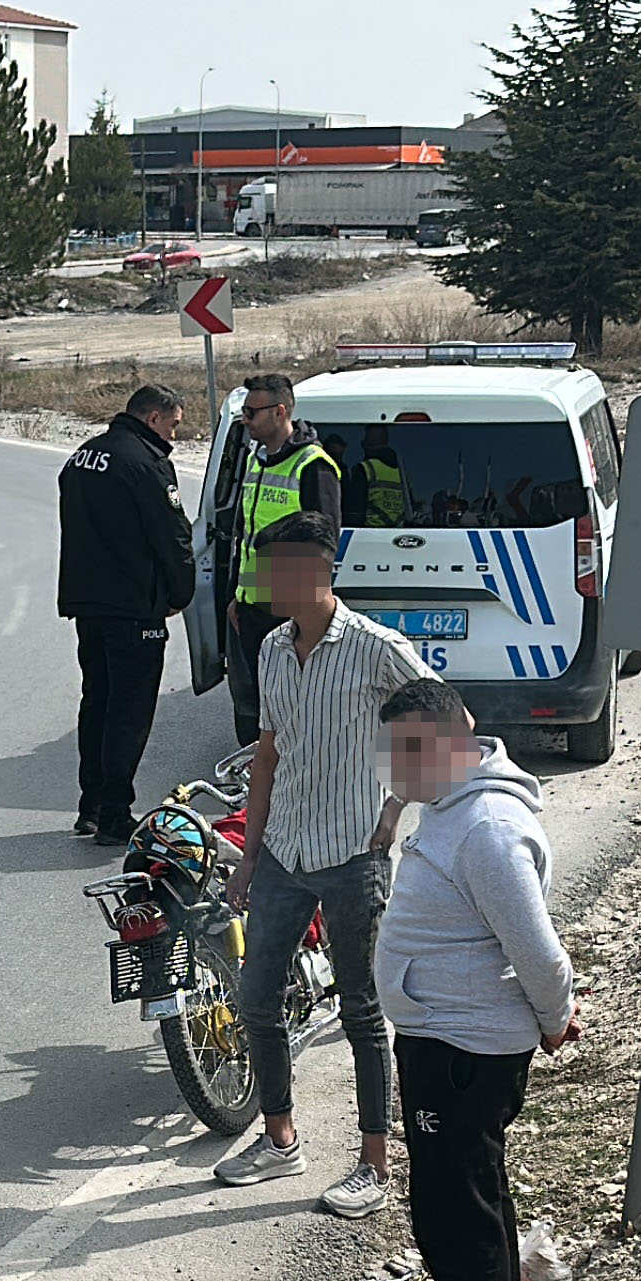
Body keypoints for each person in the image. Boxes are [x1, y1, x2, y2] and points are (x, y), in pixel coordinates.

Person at [371, 677, 578, 1281]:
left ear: (460, 734)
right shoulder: (452, 805)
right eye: (395, 755)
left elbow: (537, 949)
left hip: (463, 1049)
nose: (401, 770)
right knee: (475, 1194)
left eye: (415, 752)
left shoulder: (486, 827)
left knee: (452, 1213)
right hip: (444, 1039)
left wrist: (556, 1017)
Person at [218, 511, 426, 1219]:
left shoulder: (375, 648)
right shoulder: (274, 647)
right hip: (284, 853)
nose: (265, 585)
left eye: (277, 571)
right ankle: (280, 1141)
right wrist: (250, 855)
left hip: (351, 856)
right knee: (255, 998)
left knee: (363, 1010)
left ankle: (374, 1163)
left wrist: (394, 812)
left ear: (316, 570)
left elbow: (443, 720)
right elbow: (269, 753)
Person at [56, 382, 194, 845]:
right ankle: (115, 812)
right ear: (153, 418)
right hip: (134, 607)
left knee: (96, 702)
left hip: (89, 604)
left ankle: (90, 805)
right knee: (128, 712)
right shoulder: (145, 464)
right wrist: (181, 591)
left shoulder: (82, 456)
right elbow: (172, 535)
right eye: (173, 425)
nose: (175, 436)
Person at [209, 372, 343, 747]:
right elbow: (246, 537)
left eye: (252, 412)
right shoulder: (258, 460)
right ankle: (258, 783)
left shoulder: (312, 466)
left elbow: (323, 546)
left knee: (292, 708)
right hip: (253, 607)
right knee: (257, 706)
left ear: (280, 411)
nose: (246, 420)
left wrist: (306, 616)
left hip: (289, 613)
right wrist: (239, 595)